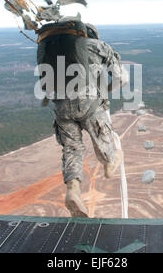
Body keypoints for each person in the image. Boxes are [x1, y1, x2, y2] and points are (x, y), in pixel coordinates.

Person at [36, 20, 128, 217]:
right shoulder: (97, 46)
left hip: (61, 106)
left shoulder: (54, 49)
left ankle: (73, 191)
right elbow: (122, 78)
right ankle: (110, 163)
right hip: (90, 103)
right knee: (105, 143)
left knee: (72, 148)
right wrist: (106, 92)